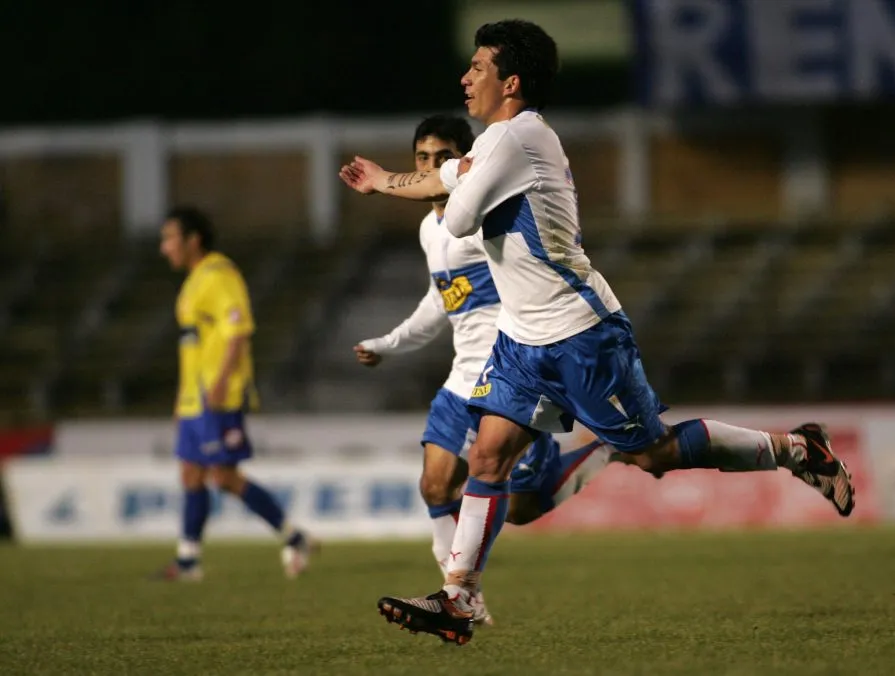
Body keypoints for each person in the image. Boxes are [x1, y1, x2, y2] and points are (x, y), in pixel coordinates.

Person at [339, 19, 855, 646]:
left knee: (655, 454)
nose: (465, 77)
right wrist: (382, 182)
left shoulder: (515, 139)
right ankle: (458, 599)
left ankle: (799, 449)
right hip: (524, 340)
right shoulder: (495, 146)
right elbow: (440, 183)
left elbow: (459, 216)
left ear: (512, 82)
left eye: (478, 67)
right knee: (489, 456)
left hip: (583, 334)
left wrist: (454, 177)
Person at [353, 114, 618, 626]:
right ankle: (461, 597)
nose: (432, 167)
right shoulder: (431, 230)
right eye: (423, 158)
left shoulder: (482, 217)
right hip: (460, 379)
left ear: (465, 161)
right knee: (434, 486)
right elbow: (441, 301)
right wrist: (388, 344)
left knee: (519, 508)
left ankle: (603, 450)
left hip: (508, 370)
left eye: (443, 157)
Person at [156, 206, 315, 581]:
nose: (164, 248)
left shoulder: (219, 274)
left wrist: (222, 381)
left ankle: (293, 537)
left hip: (217, 395)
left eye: (169, 238)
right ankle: (189, 561)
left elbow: (238, 330)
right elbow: (193, 346)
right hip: (195, 399)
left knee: (224, 477)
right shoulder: (193, 280)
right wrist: (183, 398)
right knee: (191, 474)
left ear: (193, 239)